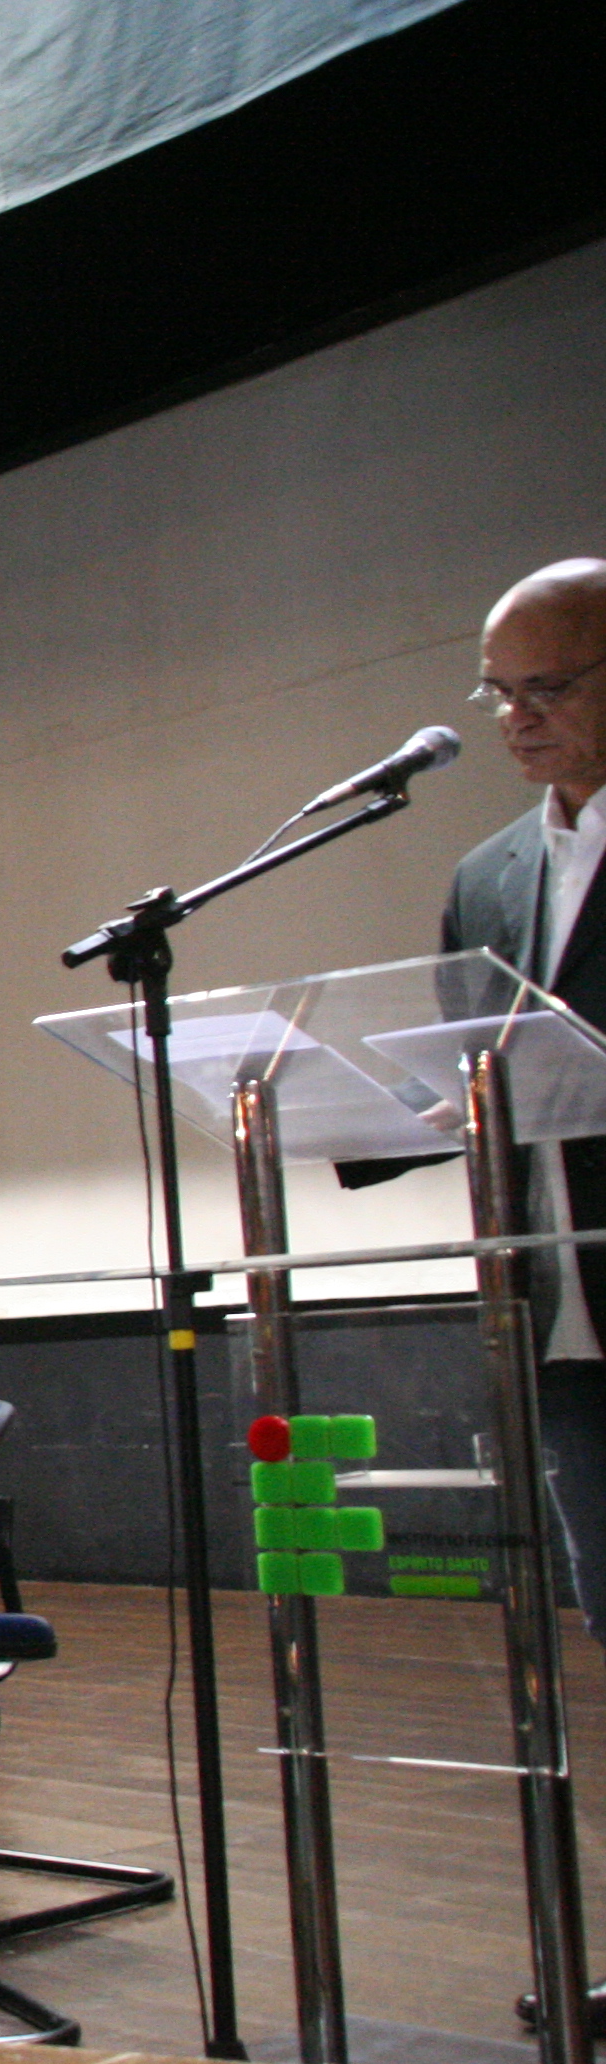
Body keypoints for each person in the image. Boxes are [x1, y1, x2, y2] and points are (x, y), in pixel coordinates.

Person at [436, 557, 606, 1652]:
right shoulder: (486, 875)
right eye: (499, 692)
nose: (516, 718)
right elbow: (471, 1063)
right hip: (558, 1307)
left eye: (548, 688)